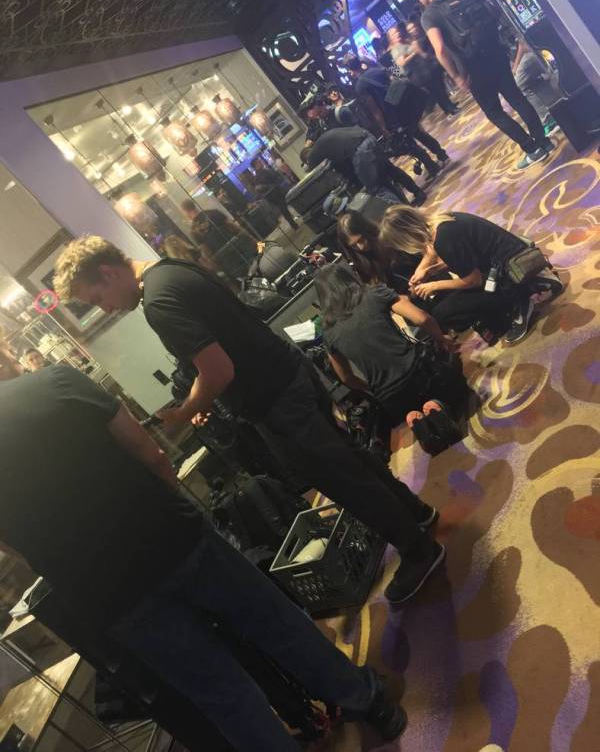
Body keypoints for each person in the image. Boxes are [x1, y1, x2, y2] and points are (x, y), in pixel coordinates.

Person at [0, 363, 408, 752]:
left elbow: (14, 549)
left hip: (110, 596)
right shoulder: (55, 383)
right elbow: (152, 455)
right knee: (274, 624)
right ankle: (366, 702)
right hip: (172, 537)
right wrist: (170, 511)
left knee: (221, 694)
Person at [53, 237, 446, 606]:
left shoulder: (158, 302)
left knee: (341, 477)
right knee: (348, 456)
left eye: (97, 299)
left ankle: (418, 550)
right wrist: (204, 394)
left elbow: (218, 370)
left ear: (108, 273)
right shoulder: (172, 269)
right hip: (287, 371)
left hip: (272, 399)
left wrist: (183, 412)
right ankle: (415, 513)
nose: (106, 309)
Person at [412, 0, 553, 170]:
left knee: (494, 112)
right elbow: (493, 12)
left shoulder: (430, 15)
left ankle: (532, 149)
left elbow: (440, 50)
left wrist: (456, 77)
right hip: (496, 52)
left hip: (473, 68)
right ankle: (543, 141)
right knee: (517, 98)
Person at [379, 205, 563, 345]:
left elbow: (474, 281)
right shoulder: (441, 221)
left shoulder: (444, 239)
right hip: (508, 260)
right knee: (448, 301)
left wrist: (433, 285)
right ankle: (533, 282)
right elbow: (445, 254)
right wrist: (425, 270)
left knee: (442, 313)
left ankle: (518, 301)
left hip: (508, 271)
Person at [314, 263, 464, 426]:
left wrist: (373, 388)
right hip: (419, 374)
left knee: (408, 409)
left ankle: (419, 419)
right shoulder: (375, 293)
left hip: (392, 398)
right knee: (456, 375)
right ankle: (439, 405)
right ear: (350, 277)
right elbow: (422, 318)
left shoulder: (328, 332)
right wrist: (442, 339)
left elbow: (346, 378)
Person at [344, 54, 449, 180]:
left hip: (391, 115)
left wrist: (383, 128)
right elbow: (395, 79)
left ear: (350, 70)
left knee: (408, 142)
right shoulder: (376, 70)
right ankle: (441, 154)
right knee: (419, 132)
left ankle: (431, 166)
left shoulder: (360, 86)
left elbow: (374, 108)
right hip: (402, 106)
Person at [337, 209, 451, 309]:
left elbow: (430, 251)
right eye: (354, 245)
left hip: (436, 284)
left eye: (361, 240)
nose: (360, 247)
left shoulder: (388, 234)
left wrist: (420, 270)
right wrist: (403, 297)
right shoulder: (358, 263)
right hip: (414, 302)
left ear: (367, 230)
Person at [300, 125, 427, 206]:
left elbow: (315, 174)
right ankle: (417, 194)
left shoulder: (312, 156)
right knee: (388, 171)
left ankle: (404, 216)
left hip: (360, 150)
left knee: (376, 189)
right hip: (367, 137)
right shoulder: (322, 142)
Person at [398, 20, 459, 116]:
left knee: (439, 88)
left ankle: (448, 107)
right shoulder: (405, 45)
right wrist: (417, 52)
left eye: (413, 27)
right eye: (409, 29)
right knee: (437, 90)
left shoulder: (419, 38)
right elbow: (405, 61)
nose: (413, 30)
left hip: (428, 68)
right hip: (421, 72)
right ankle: (449, 107)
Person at [179, 198, 256, 262]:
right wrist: (251, 238)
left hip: (228, 260)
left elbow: (206, 251)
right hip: (241, 246)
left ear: (186, 211)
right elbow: (234, 227)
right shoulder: (213, 212)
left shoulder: (193, 231)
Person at [512, 39, 561, 137]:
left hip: (528, 54)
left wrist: (515, 67)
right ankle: (555, 109)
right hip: (532, 52)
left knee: (519, 86)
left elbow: (522, 44)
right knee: (534, 81)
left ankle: (548, 119)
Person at [251, 158, 299, 230]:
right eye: (259, 162)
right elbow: (273, 179)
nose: (261, 162)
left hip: (272, 194)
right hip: (274, 193)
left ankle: (293, 223)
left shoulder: (259, 175)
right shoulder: (262, 174)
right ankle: (293, 223)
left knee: (283, 207)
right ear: (256, 165)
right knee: (284, 207)